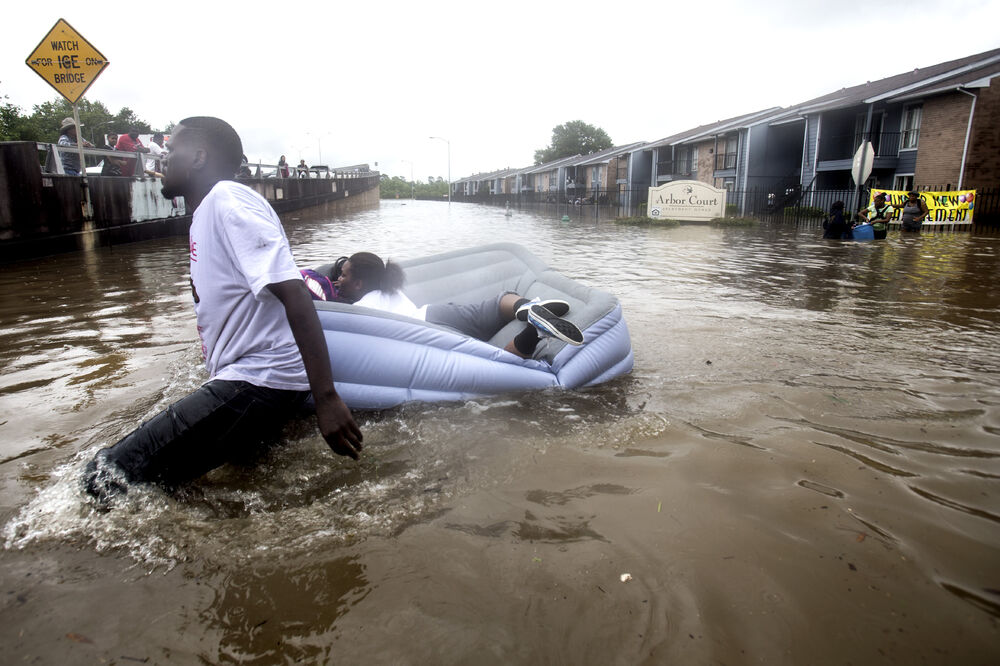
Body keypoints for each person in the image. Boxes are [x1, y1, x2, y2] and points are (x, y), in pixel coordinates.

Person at [83, 116, 362, 503]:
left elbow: (295, 293)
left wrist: (327, 399)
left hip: (260, 379)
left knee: (105, 476)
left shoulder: (228, 202)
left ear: (198, 156)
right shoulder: (206, 212)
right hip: (248, 378)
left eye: (171, 150)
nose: (163, 159)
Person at [334, 252, 584, 359]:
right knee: (495, 304)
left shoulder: (363, 307)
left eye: (343, 275)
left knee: (495, 362)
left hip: (428, 338)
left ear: (358, 283)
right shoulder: (390, 289)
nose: (338, 280)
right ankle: (528, 307)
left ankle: (534, 333)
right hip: (432, 313)